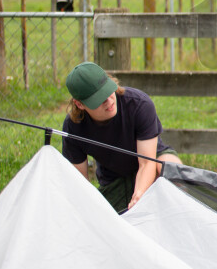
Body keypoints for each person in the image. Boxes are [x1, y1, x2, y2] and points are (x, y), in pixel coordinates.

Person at [62, 61, 183, 212]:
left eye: (108, 91)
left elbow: (147, 163)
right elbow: (79, 183)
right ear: (80, 104)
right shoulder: (73, 126)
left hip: (152, 160)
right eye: (99, 99)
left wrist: (138, 196)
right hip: (113, 179)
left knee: (174, 171)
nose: (109, 101)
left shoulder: (139, 104)